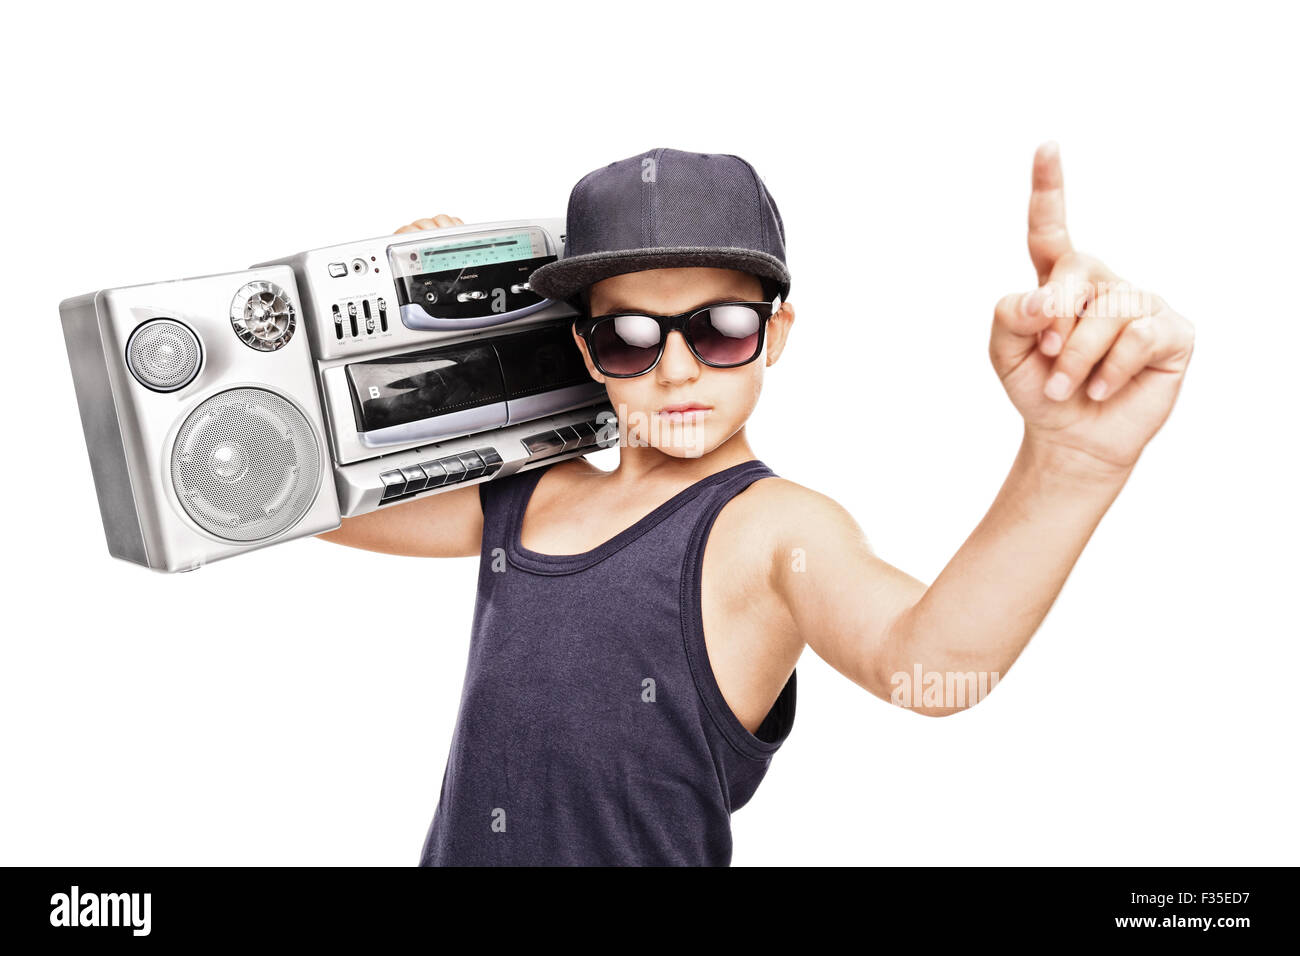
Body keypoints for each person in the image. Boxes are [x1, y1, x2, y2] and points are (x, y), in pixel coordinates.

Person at [319, 145, 1195, 866]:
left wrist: (1069, 462)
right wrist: (426, 324)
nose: (676, 370)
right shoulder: (529, 498)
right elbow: (320, 505)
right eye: (629, 335)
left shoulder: (771, 530)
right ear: (586, 348)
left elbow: (930, 661)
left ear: (774, 333)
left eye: (719, 328)